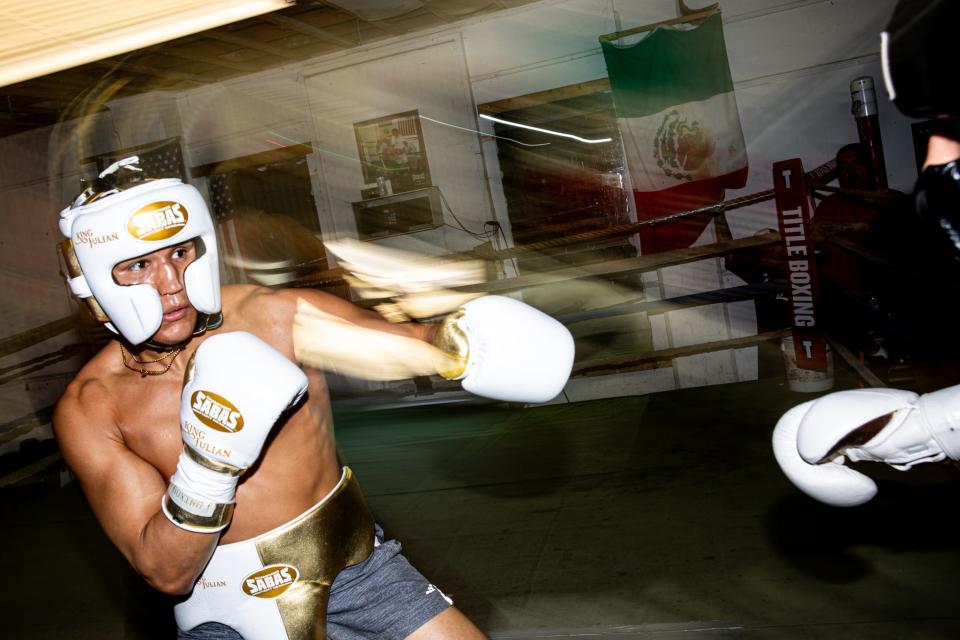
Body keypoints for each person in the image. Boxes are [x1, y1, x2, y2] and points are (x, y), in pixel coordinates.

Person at [53, 156, 575, 639]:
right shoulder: (92, 407)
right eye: (138, 266)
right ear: (94, 282)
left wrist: (463, 342)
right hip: (223, 609)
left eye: (179, 252)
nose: (172, 284)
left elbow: (418, 346)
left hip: (359, 570)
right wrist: (208, 468)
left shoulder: (277, 316)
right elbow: (167, 572)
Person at [772, 0, 960, 507]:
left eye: (954, 131)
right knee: (859, 350)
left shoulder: (891, 203)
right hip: (848, 290)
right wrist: (926, 428)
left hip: (890, 294)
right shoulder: (836, 201)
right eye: (940, 131)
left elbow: (891, 227)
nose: (938, 161)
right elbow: (805, 209)